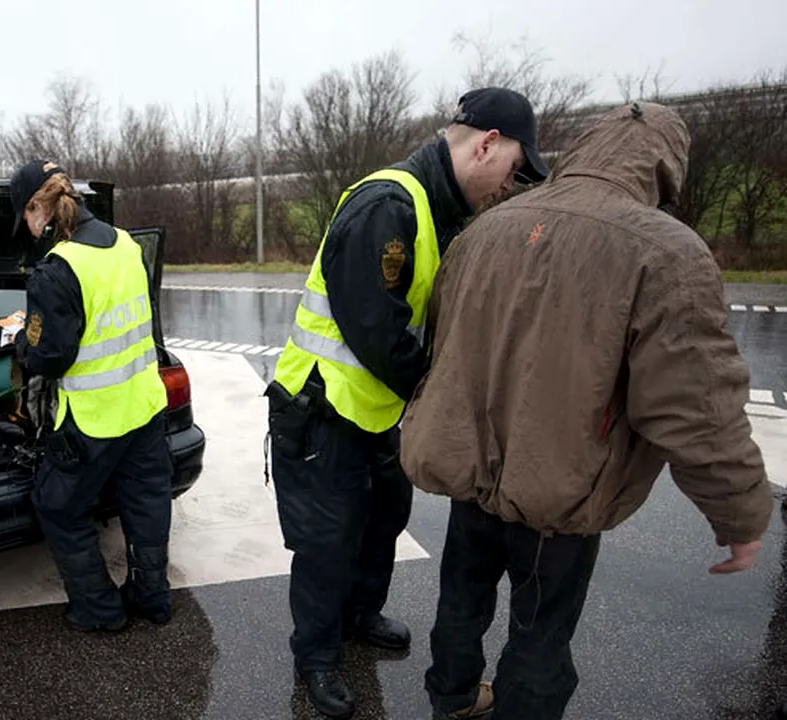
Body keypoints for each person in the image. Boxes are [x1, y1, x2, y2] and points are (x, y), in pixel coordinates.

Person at [400, 101, 773, 720]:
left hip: (470, 470)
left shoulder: (487, 227)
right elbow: (694, 406)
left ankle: (454, 700)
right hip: (560, 489)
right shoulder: (664, 250)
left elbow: (445, 343)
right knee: (541, 635)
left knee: (460, 601)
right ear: (665, 164)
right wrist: (739, 513)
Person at [264, 86, 547, 719]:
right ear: (487, 145)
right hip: (323, 406)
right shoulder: (388, 202)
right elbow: (375, 325)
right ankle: (316, 655)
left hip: (376, 408)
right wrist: (439, 392)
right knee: (327, 542)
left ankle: (361, 614)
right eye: (515, 168)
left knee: (383, 520)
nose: (512, 183)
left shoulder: (435, 209)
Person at [9, 159, 174, 633]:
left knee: (58, 506)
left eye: (24, 216)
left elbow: (49, 358)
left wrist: (21, 340)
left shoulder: (57, 269)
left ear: (38, 207)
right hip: (144, 408)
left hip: (93, 422)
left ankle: (99, 611)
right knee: (146, 503)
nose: (26, 226)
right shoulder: (125, 244)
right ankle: (152, 600)